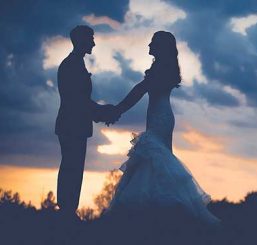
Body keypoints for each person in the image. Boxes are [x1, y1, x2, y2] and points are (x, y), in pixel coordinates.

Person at [106, 31, 220, 225]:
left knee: (156, 158)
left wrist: (117, 110)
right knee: (156, 160)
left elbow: (139, 91)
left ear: (160, 47)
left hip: (160, 118)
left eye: (152, 43)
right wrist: (117, 110)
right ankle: (159, 215)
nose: (149, 46)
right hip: (162, 116)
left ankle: (158, 214)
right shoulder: (162, 68)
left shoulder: (160, 69)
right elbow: (140, 91)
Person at [55, 25, 120, 221]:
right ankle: (67, 213)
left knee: (73, 169)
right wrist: (103, 112)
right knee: (71, 169)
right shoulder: (71, 65)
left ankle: (68, 212)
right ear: (81, 40)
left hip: (74, 125)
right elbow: (77, 100)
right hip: (71, 125)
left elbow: (80, 101)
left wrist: (101, 111)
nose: (93, 42)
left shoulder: (75, 64)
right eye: (90, 38)